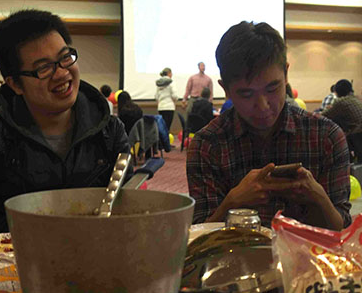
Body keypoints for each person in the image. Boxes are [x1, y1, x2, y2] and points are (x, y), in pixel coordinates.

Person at [0, 9, 130, 239]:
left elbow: (124, 212)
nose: (62, 73)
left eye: (65, 57)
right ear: (15, 83)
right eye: (44, 68)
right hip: (13, 267)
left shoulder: (109, 131)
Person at [187, 21, 350, 231]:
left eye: (273, 88)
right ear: (225, 89)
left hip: (308, 261)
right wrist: (232, 202)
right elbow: (199, 241)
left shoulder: (326, 136)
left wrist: (317, 197)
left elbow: (343, 236)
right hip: (234, 262)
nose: (263, 106)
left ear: (286, 75)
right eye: (246, 94)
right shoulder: (207, 145)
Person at [322, 79, 362, 162]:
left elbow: (324, 115)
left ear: (337, 91)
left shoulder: (341, 102)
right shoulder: (357, 99)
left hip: (355, 135)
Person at [155, 67, 178, 131]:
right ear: (169, 73)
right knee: (167, 126)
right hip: (169, 107)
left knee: (162, 126)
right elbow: (174, 96)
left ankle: (161, 140)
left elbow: (156, 96)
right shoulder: (171, 82)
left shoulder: (158, 83)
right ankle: (166, 140)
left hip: (161, 107)